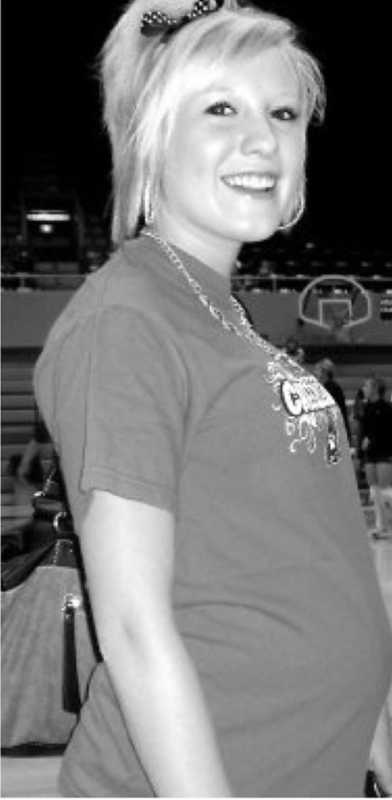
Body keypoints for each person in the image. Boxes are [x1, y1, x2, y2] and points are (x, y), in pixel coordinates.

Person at [34, 0, 392, 795]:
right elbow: (132, 626)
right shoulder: (128, 320)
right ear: (151, 132)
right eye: (220, 108)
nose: (262, 139)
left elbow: (311, 561)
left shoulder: (228, 320)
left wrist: (372, 728)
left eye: (285, 112)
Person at [361, 376, 392, 537]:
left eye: (366, 386)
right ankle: (382, 527)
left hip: (384, 452)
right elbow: (364, 431)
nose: (363, 388)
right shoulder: (366, 408)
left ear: (374, 388)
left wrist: (371, 439)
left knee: (386, 491)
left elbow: (386, 432)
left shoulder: (387, 408)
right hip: (370, 454)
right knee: (375, 492)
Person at [314, 357, 351, 442]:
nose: (314, 373)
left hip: (334, 433)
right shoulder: (326, 387)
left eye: (317, 370)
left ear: (324, 372)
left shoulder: (332, 388)